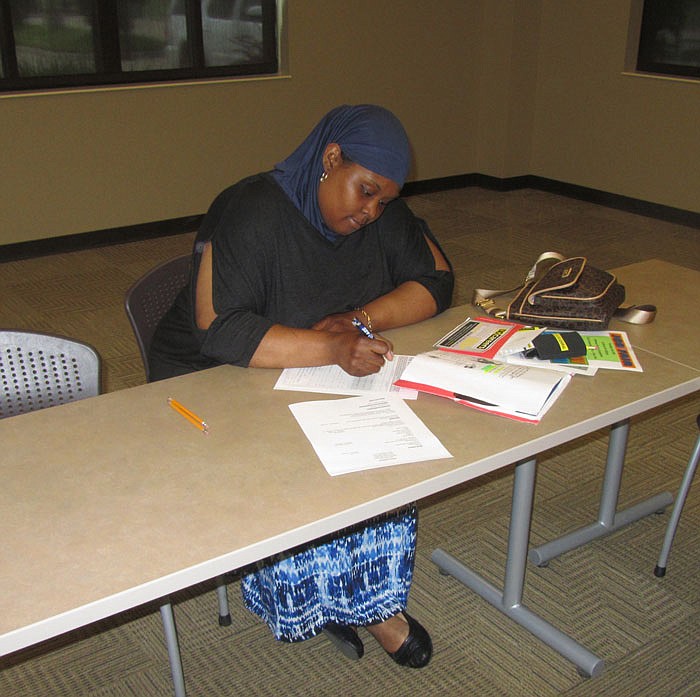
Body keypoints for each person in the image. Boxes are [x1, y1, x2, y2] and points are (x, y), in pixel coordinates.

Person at [149, 104, 454, 668]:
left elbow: (436, 281)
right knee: (296, 461)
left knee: (385, 444)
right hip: (212, 379)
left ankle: (374, 601)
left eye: (384, 200)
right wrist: (334, 348)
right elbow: (222, 329)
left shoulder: (382, 212)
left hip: (305, 369)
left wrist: (362, 319)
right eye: (364, 192)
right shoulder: (250, 209)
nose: (372, 212)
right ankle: (319, 597)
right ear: (330, 159)